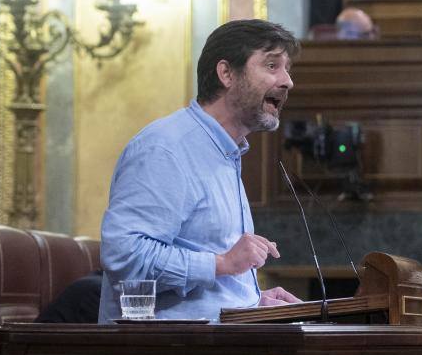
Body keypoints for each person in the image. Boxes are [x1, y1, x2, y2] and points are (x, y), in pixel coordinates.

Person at [98, 19, 303, 323]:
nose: (288, 81)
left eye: (287, 69)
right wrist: (221, 263)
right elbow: (125, 256)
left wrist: (250, 300)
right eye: (272, 66)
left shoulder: (226, 152)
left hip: (214, 348)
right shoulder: (167, 148)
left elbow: (208, 277)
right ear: (226, 74)